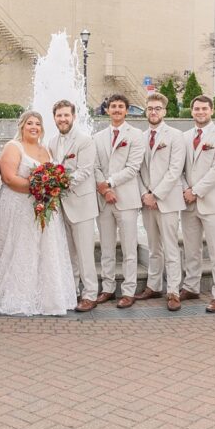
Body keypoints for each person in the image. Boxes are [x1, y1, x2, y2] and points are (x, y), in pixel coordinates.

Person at [0, 111, 77, 316]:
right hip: (17, 207)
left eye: (37, 124)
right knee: (20, 250)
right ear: (22, 126)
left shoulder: (46, 149)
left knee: (45, 251)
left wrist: (50, 189)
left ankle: (45, 298)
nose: (34, 127)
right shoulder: (13, 147)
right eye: (29, 123)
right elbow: (9, 179)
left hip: (43, 207)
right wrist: (39, 189)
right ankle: (16, 296)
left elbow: (52, 175)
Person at [180, 94, 215, 312]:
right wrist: (185, 189)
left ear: (211, 111)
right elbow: (179, 167)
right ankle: (191, 286)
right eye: (196, 109)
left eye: (204, 109)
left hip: (211, 201)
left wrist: (196, 191)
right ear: (191, 111)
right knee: (191, 249)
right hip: (188, 202)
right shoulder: (183, 137)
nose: (200, 112)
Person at [93, 94, 145, 308]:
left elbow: (133, 167)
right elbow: (94, 166)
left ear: (126, 110)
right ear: (107, 110)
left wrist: (109, 184)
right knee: (106, 248)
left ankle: (129, 291)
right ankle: (107, 288)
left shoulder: (136, 135)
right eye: (112, 106)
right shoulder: (97, 137)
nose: (116, 110)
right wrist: (105, 190)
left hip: (126, 199)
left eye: (120, 107)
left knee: (129, 249)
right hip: (104, 200)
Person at [138, 93, 187, 311]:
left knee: (170, 247)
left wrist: (156, 195)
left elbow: (175, 170)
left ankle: (174, 291)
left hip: (166, 200)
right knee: (153, 247)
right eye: (150, 108)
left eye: (157, 108)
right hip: (146, 200)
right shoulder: (140, 137)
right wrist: (144, 195)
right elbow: (136, 169)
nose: (153, 112)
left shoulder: (176, 136)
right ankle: (153, 285)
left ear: (165, 111)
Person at [50, 100, 99, 312]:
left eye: (66, 115)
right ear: (54, 118)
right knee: (69, 253)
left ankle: (90, 295)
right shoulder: (51, 141)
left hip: (81, 204)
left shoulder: (84, 140)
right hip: (61, 205)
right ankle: (72, 292)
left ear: (73, 117)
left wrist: (59, 183)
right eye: (59, 116)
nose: (62, 119)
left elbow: (85, 170)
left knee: (85, 254)